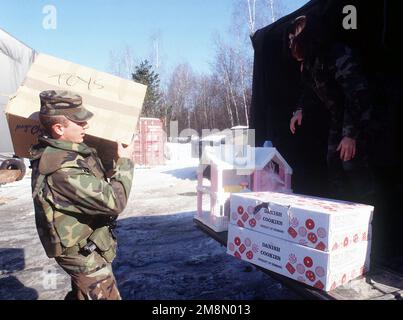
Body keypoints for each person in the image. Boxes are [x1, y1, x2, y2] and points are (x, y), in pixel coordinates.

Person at [30, 90, 135, 300]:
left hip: (81, 244)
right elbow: (115, 202)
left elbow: (91, 170)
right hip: (83, 256)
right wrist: (125, 163)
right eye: (79, 122)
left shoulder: (59, 149)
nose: (86, 126)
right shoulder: (63, 170)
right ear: (59, 128)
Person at [287, 15, 374, 203]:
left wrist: (350, 135)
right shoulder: (310, 63)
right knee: (334, 164)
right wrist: (300, 109)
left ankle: (371, 221)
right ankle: (342, 218)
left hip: (360, 116)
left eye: (293, 38)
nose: (291, 43)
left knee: (352, 164)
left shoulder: (334, 53)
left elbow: (357, 91)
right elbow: (308, 91)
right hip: (339, 117)